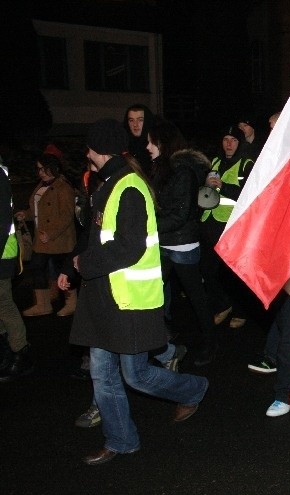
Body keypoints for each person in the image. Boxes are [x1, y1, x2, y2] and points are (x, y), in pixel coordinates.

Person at [70, 119, 208, 465]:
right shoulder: (108, 183)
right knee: (102, 374)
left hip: (128, 300)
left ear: (97, 150)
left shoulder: (128, 187)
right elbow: (97, 238)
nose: (85, 152)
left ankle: (193, 388)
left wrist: (85, 265)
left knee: (137, 375)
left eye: (88, 147)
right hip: (105, 297)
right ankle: (120, 439)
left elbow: (129, 248)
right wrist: (74, 265)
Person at [146, 118, 217, 366]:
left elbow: (180, 214)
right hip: (165, 242)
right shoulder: (163, 168)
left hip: (183, 246)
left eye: (151, 142)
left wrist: (148, 227)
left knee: (196, 297)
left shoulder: (182, 171)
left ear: (162, 143)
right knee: (153, 292)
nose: (147, 147)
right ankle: (161, 339)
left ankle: (210, 344)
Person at [198, 125, 254, 344]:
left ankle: (240, 310)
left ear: (240, 143)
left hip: (231, 226)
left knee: (233, 274)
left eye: (233, 140)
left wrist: (224, 186)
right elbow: (206, 193)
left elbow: (249, 194)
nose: (229, 143)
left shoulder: (246, 164)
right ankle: (223, 304)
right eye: (225, 139)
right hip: (209, 222)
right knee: (207, 269)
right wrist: (206, 185)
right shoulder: (216, 162)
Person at [15, 152, 77, 317]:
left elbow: (66, 216)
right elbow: (39, 210)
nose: (41, 172)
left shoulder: (63, 187)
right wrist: (26, 214)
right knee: (37, 268)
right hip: (42, 239)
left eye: (44, 169)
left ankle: (71, 303)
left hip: (59, 239)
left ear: (53, 168)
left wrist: (50, 234)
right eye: (39, 169)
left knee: (62, 271)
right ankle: (43, 304)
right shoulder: (41, 185)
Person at [0, 165, 32, 383]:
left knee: (4, 303)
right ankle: (8, 352)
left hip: (3, 253)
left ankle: (20, 353)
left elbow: (2, 221)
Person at [123, 103, 156, 176]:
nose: (135, 124)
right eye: (131, 120)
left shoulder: (155, 146)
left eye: (140, 120)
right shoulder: (123, 146)